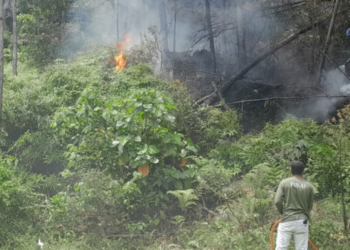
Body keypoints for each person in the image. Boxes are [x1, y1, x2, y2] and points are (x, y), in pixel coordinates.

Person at [274, 161, 314, 250]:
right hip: (302, 221)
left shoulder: (284, 183)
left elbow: (277, 201)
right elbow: (310, 206)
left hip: (287, 219)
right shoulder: (309, 186)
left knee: (281, 247)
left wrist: (282, 212)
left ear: (291, 170)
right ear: (303, 171)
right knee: (302, 248)